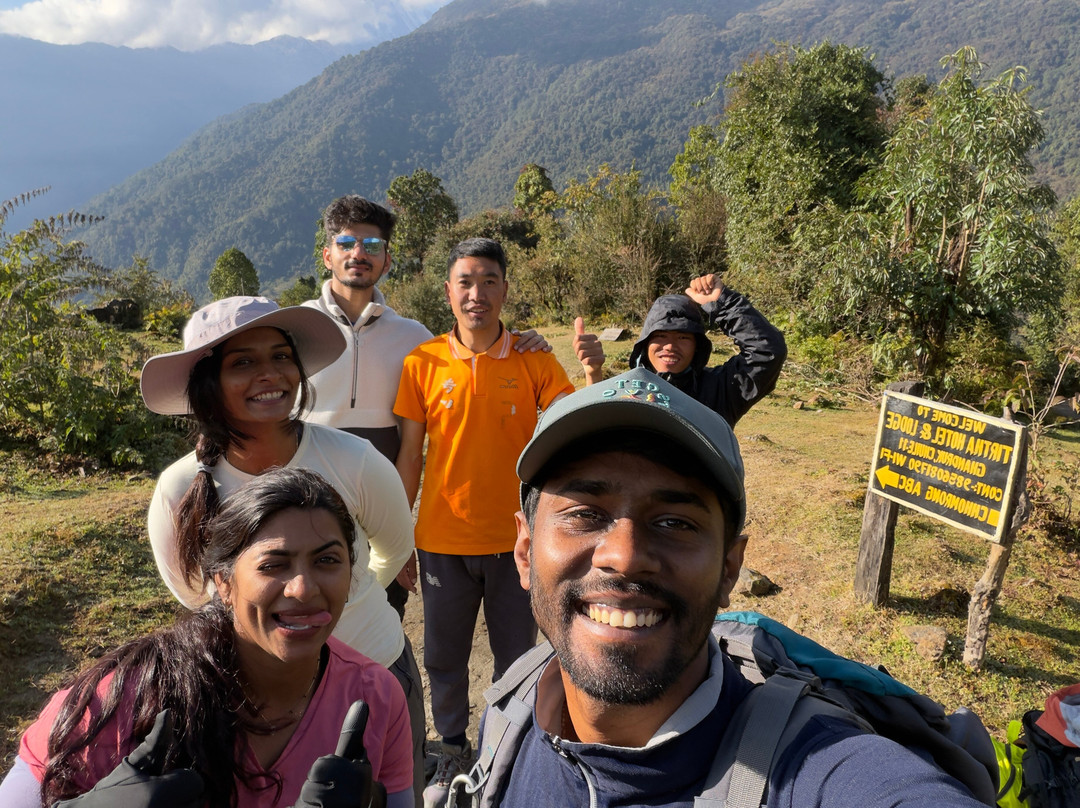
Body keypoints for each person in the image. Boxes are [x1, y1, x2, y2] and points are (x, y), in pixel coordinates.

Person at [455, 367, 987, 807]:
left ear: (731, 567)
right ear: (524, 550)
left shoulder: (816, 771)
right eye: (585, 514)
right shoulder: (513, 708)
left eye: (674, 522)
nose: (624, 556)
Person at [139, 295, 427, 803]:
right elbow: (195, 593)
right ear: (209, 384)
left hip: (376, 666)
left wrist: (332, 604)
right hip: (252, 694)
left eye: (280, 356)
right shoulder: (180, 487)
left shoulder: (353, 460)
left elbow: (394, 547)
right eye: (243, 362)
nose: (269, 374)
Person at [0, 467, 413, 808]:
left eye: (327, 560)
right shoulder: (129, 695)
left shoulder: (377, 698)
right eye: (273, 565)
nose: (303, 589)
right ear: (224, 583)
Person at [303, 195, 550, 619]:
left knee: (381, 619)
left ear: (387, 259)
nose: (358, 254)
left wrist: (528, 342)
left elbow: (468, 347)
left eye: (372, 246)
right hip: (307, 500)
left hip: (378, 499)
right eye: (346, 243)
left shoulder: (413, 338)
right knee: (307, 604)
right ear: (327, 254)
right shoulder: (297, 328)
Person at [392, 237, 575, 808]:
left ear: (504, 289)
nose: (477, 294)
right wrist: (400, 539)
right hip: (441, 541)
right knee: (442, 656)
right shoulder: (422, 363)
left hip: (516, 541)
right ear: (448, 292)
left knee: (517, 655)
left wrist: (590, 363)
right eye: (465, 282)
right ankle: (448, 749)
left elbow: (573, 420)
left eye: (489, 281)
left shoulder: (533, 359)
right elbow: (410, 457)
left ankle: (510, 742)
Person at [573, 273, 786, 427]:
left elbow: (767, 351)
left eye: (683, 337)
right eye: (661, 336)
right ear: (645, 343)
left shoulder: (721, 389)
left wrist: (721, 303)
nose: (670, 346)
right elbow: (595, 434)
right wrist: (593, 373)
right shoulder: (626, 390)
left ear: (697, 347)